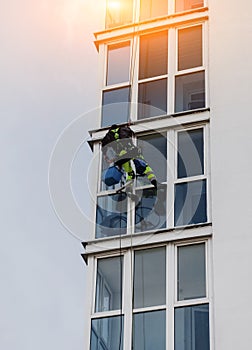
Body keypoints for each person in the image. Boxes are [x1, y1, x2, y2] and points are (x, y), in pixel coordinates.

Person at [101, 124, 157, 189]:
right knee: (144, 165)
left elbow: (104, 145)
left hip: (122, 154)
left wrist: (105, 156)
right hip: (132, 150)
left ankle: (129, 187)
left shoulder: (109, 135)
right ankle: (152, 179)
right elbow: (131, 133)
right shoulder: (123, 129)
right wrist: (128, 126)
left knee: (129, 171)